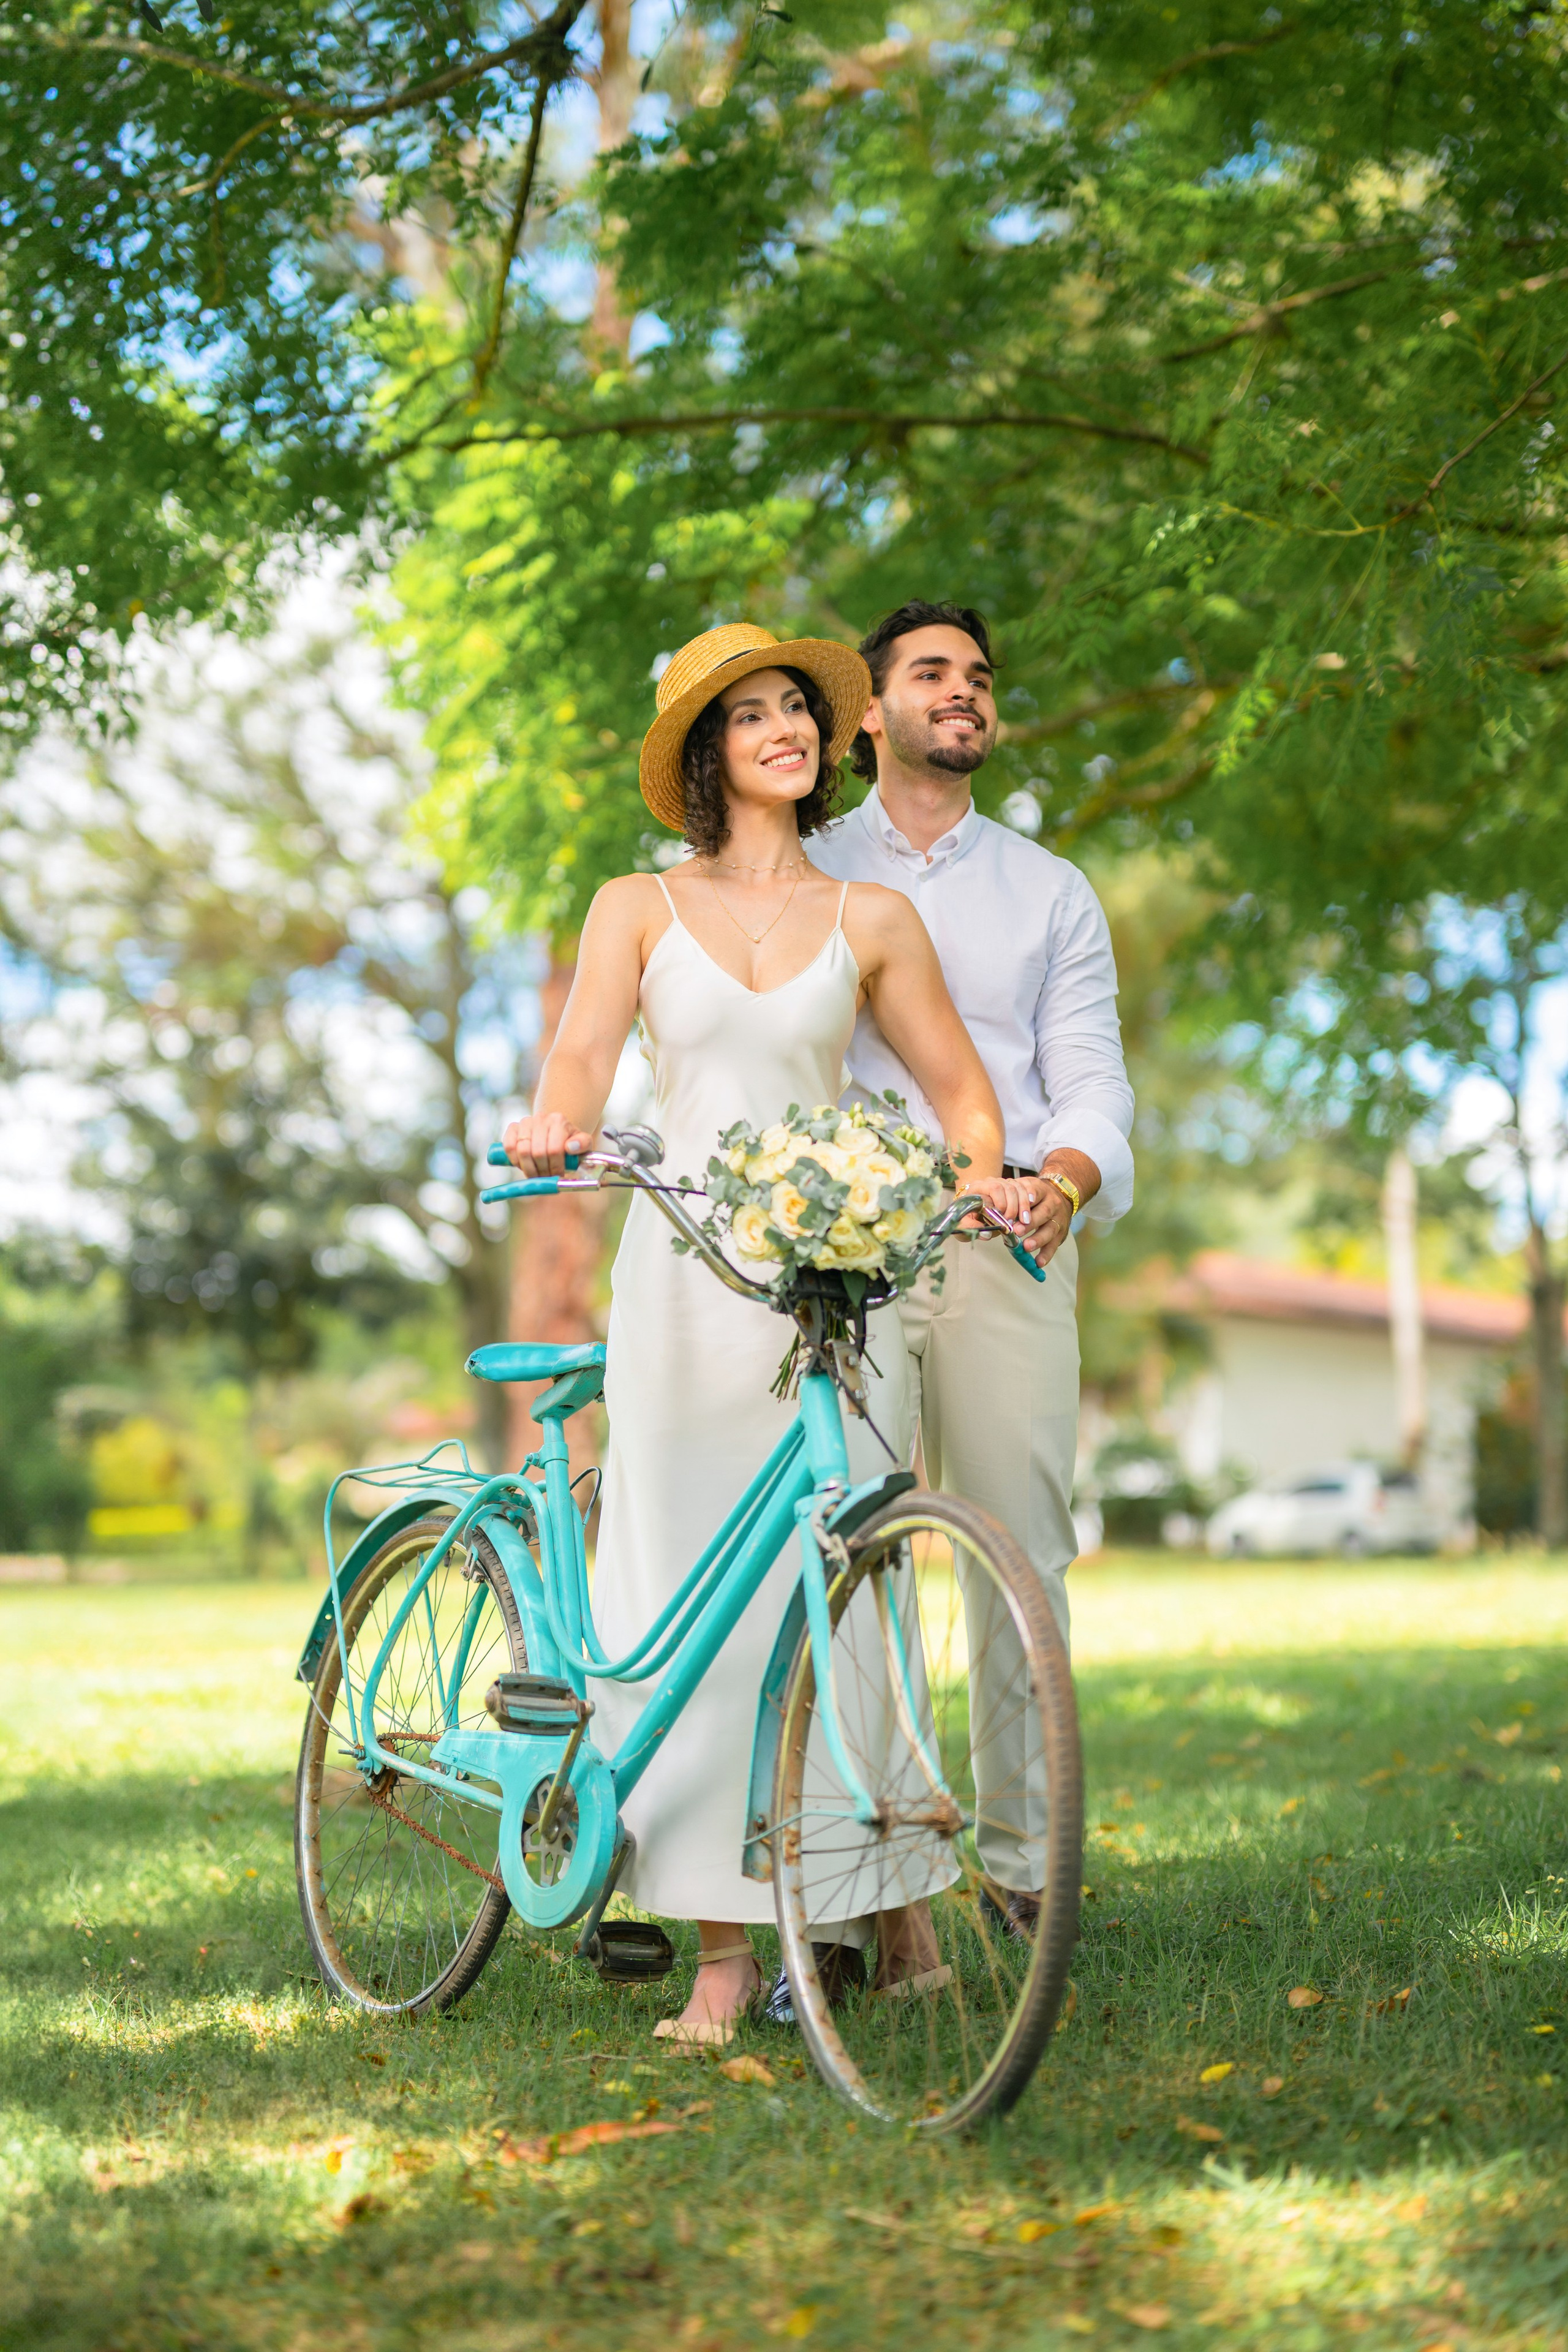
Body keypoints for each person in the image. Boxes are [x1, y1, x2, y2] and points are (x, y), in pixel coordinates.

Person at [500, 621, 1028, 2044]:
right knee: (695, 1603)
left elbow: (959, 1092)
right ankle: (725, 1958)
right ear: (706, 757)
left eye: (799, 707)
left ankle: (858, 1894)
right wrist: (555, 1123)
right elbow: (581, 1059)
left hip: (831, 1282)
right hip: (681, 1280)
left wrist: (981, 1175)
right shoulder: (634, 906)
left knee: (835, 1593)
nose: (786, 727)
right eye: (751, 716)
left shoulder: (870, 921)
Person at [807, 598, 1135, 1943]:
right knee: (843, 1548)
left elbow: (1093, 1083)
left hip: (1004, 1250)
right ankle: (868, 1875)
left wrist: (1064, 1183)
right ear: (869, 713)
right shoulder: (802, 867)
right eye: (931, 673)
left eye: (980, 677)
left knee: (1017, 1549)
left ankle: (1017, 1867)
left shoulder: (1049, 890)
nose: (964, 693)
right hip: (836, 1264)